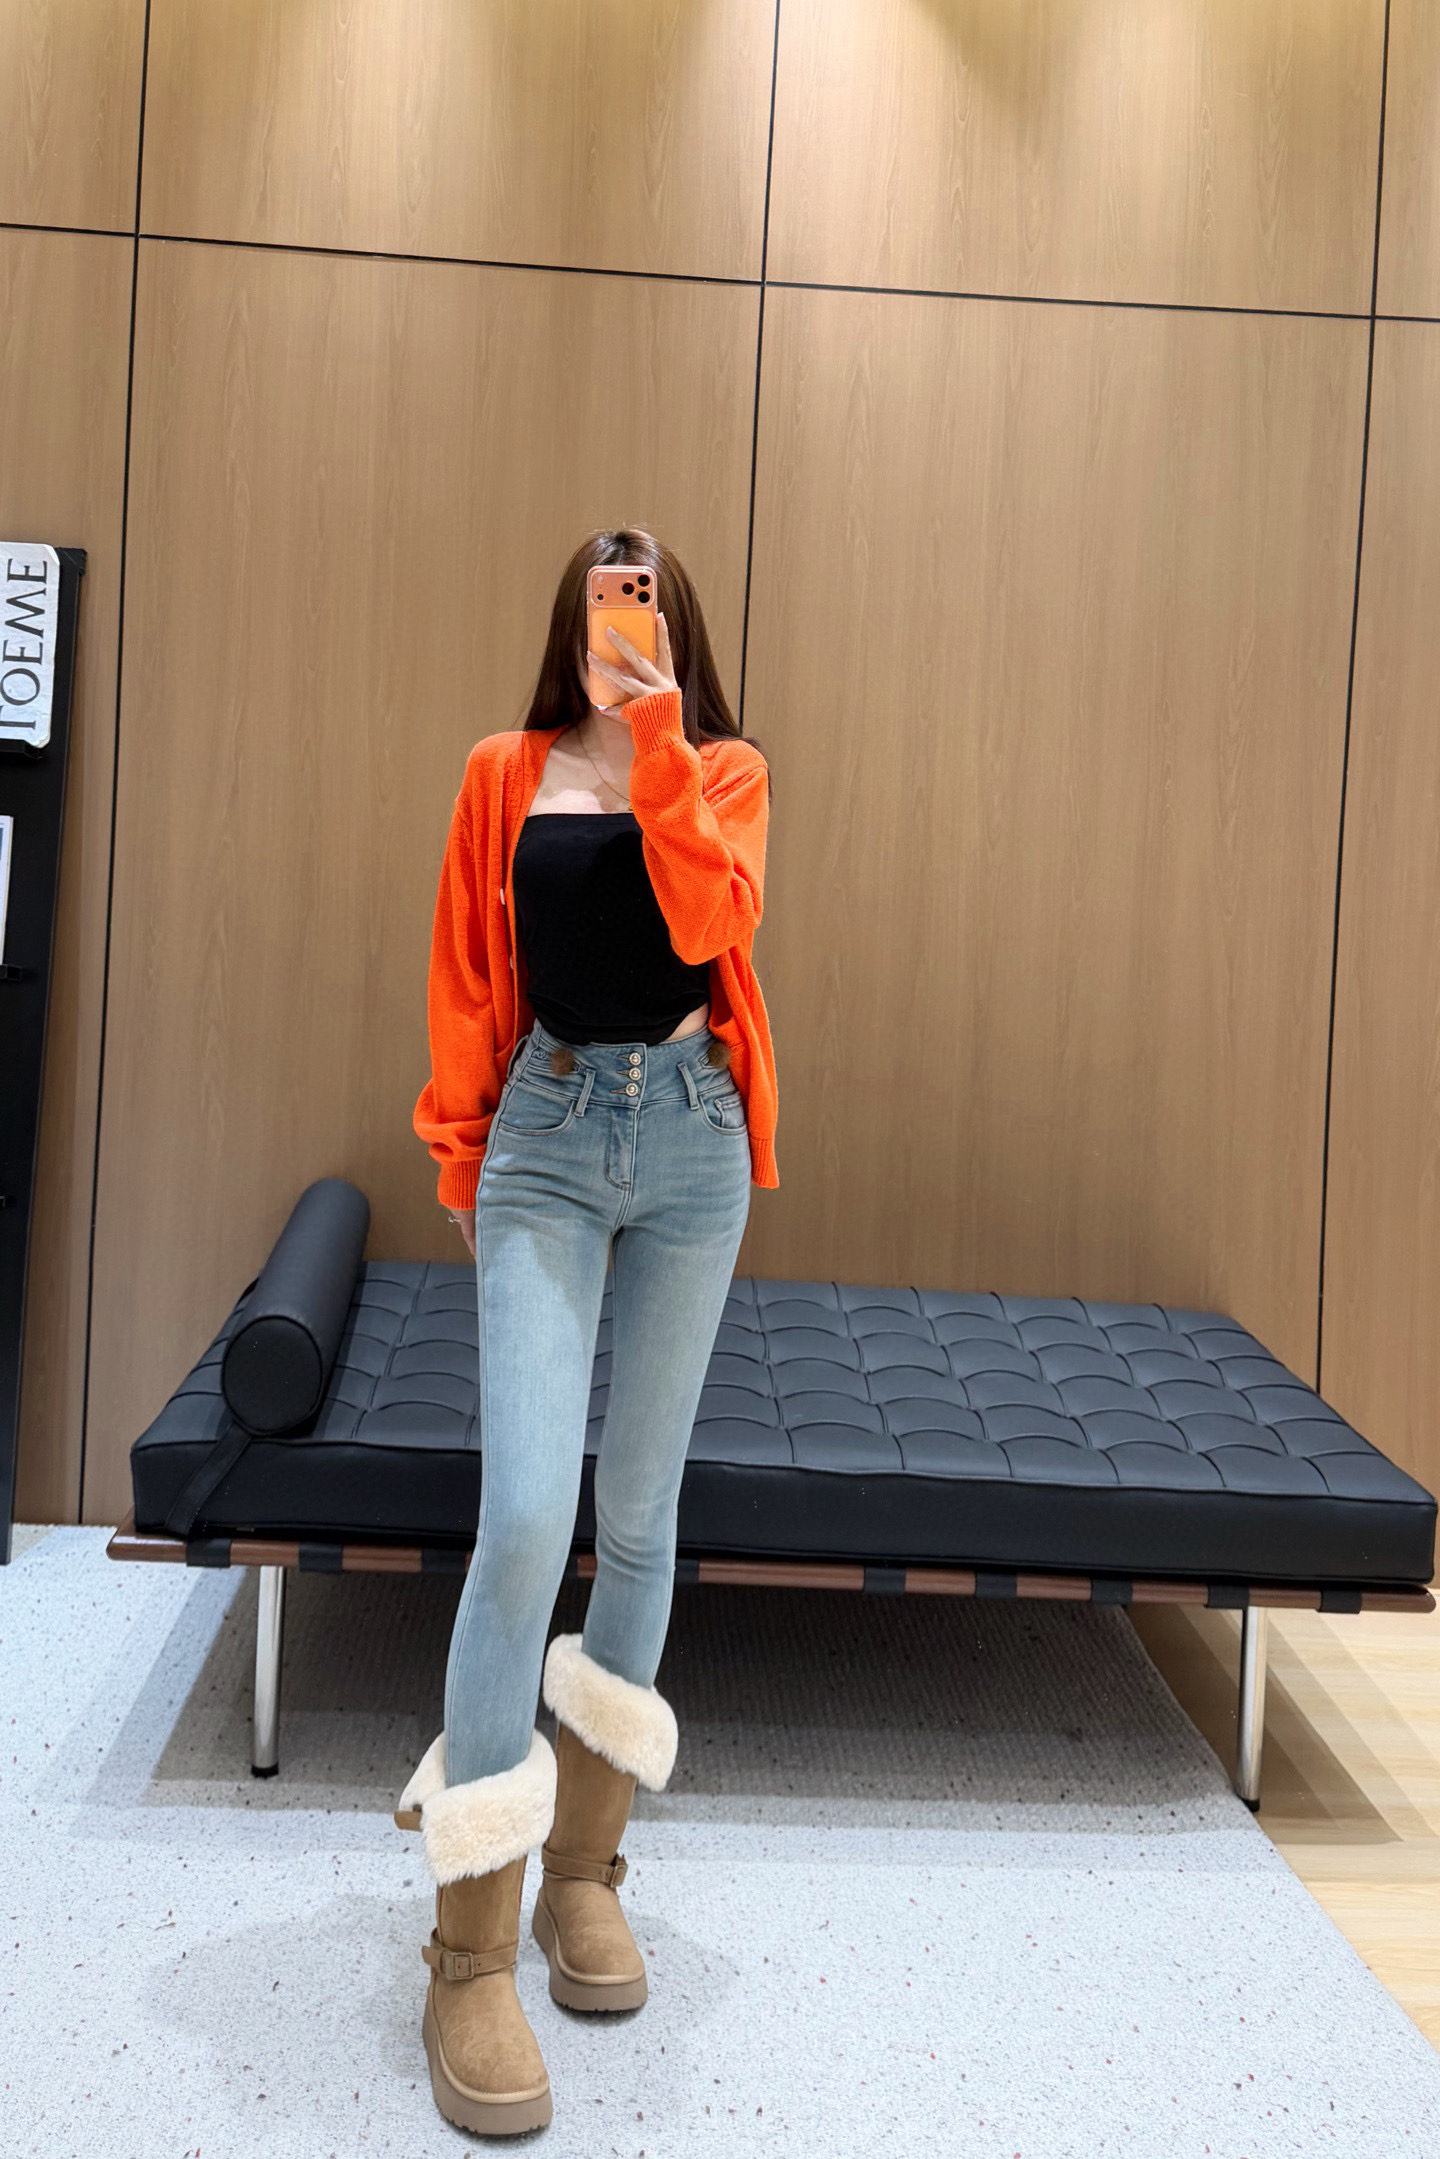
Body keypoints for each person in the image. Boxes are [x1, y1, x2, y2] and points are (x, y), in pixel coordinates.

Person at [400, 528, 779, 2134]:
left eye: (643, 607)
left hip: (694, 1138)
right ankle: (469, 1951)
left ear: (672, 628)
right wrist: (462, 1158)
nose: (617, 628)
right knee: (521, 1520)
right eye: (598, 606)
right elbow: (465, 969)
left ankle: (582, 1875)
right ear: (568, 621)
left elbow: (709, 923)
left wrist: (661, 736)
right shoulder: (505, 771)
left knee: (639, 1516)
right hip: (548, 1138)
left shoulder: (725, 773)